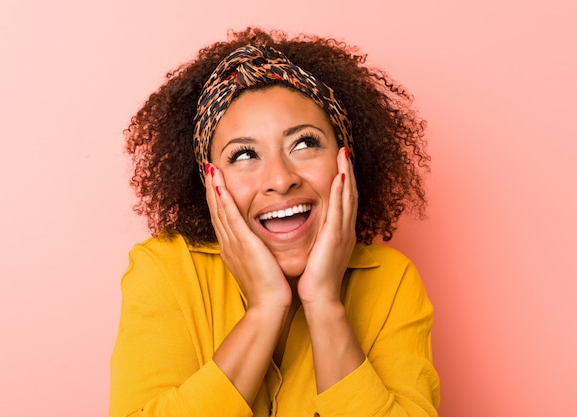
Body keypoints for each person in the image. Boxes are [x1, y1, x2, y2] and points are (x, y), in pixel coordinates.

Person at [110, 27, 440, 417]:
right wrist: (265, 308)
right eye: (245, 154)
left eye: (304, 143)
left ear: (345, 161)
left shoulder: (390, 279)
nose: (281, 179)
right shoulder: (165, 270)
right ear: (209, 178)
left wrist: (325, 304)